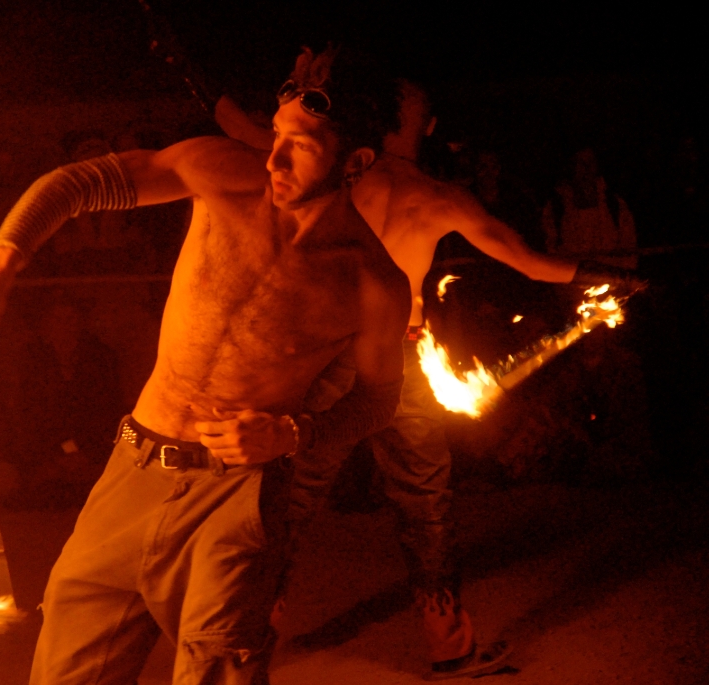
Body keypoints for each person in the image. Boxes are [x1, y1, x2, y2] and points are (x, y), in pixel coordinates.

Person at [0, 45, 411, 684]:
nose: (274, 156)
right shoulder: (221, 172)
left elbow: (380, 399)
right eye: (276, 134)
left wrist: (295, 434)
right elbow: (78, 183)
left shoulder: (371, 280)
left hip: (234, 497)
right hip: (131, 471)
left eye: (303, 144)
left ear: (354, 162)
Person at [217, 78, 637, 679]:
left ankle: (246, 650)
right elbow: (530, 260)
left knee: (295, 502)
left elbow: (241, 126)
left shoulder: (339, 172)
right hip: (398, 359)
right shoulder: (437, 195)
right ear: (429, 126)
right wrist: (609, 278)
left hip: (336, 357)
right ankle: (450, 648)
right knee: (424, 505)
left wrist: (218, 97)